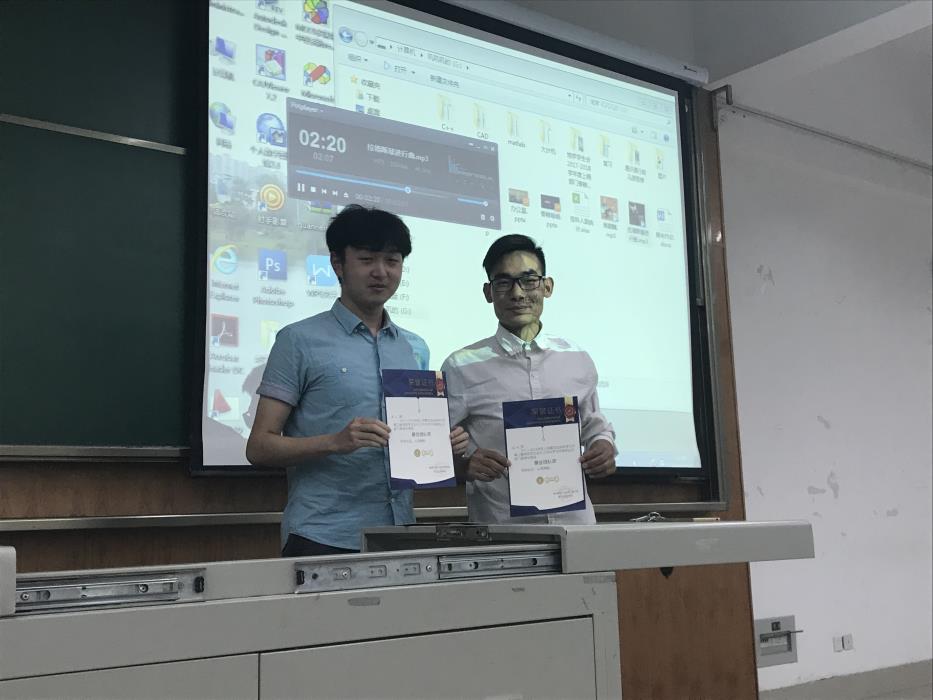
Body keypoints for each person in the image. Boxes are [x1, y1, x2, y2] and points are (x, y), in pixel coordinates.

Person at [246, 205, 468, 555]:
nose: (381, 272)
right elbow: (259, 447)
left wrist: (444, 447)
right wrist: (334, 442)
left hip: (398, 534)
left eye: (392, 261)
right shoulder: (298, 341)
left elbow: (416, 454)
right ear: (337, 264)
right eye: (366, 260)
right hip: (323, 535)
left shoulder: (415, 348)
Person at [441, 234, 617, 524]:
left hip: (576, 527)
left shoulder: (576, 358)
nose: (518, 293)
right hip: (504, 533)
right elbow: (434, 450)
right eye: (504, 282)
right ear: (488, 292)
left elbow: (594, 426)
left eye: (529, 280)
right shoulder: (461, 366)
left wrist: (603, 446)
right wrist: (464, 465)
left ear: (547, 286)